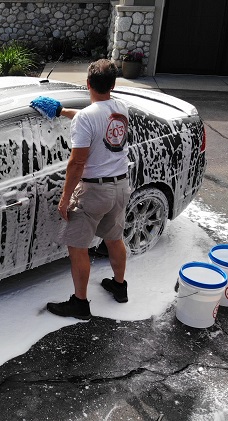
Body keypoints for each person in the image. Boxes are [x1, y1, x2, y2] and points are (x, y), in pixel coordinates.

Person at [43, 59, 132, 320]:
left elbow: (77, 163)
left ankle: (80, 304)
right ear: (113, 85)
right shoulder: (121, 108)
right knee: (114, 239)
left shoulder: (86, 118)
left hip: (93, 192)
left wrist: (65, 198)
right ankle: (119, 286)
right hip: (120, 187)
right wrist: (62, 111)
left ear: (88, 84)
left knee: (77, 246)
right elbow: (96, 118)